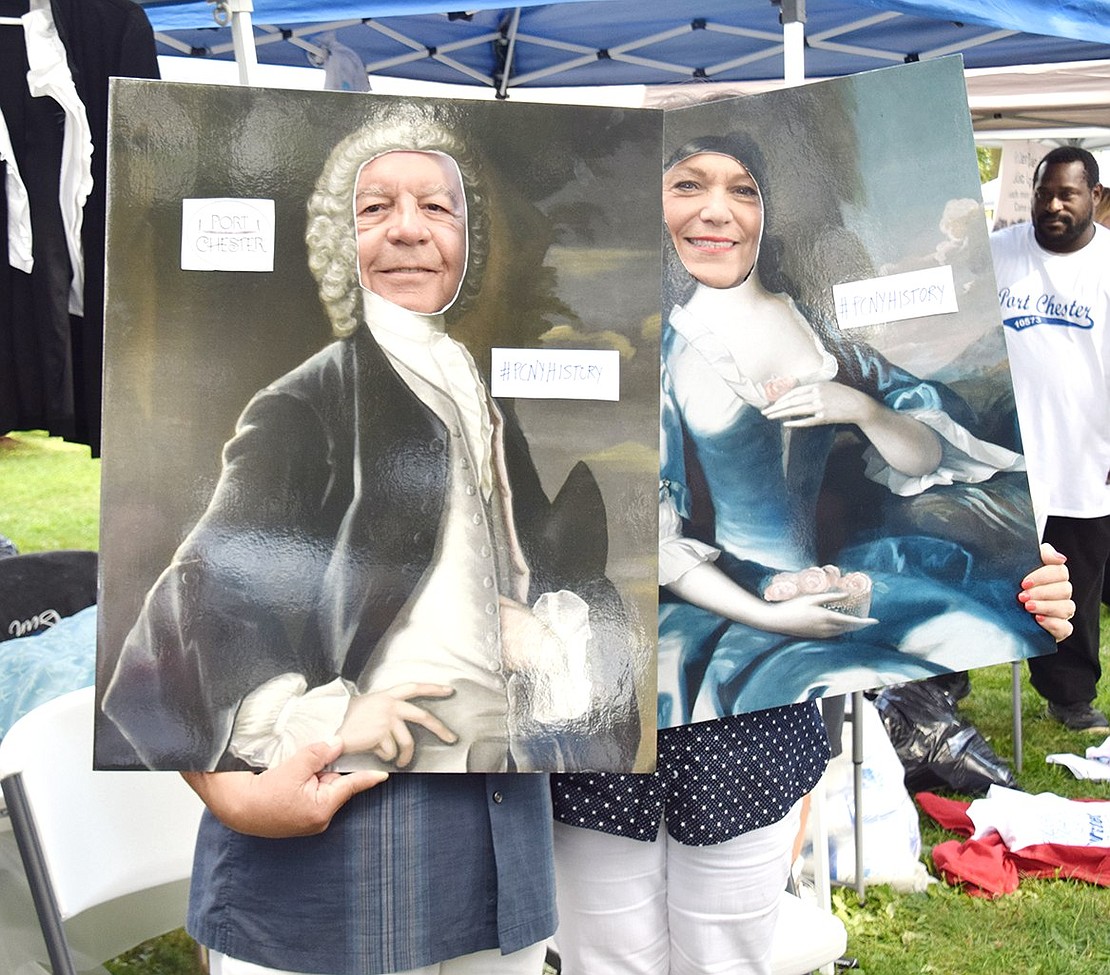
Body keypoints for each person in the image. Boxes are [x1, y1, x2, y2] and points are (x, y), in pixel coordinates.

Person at [102, 111, 641, 975]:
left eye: (438, 207)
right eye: (374, 208)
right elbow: (193, 607)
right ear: (336, 241)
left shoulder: (476, 392)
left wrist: (540, 635)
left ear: (472, 240)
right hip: (344, 840)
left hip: (497, 822)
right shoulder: (305, 407)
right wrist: (250, 778)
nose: (408, 229)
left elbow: (530, 568)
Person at [548, 133, 1075, 975]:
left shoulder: (822, 330)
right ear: (653, 205)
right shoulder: (631, 342)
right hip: (670, 642)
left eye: (741, 189)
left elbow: (926, 453)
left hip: (802, 633)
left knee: (732, 944)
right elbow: (643, 524)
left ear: (773, 207)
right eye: (687, 185)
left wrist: (857, 407)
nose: (715, 209)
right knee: (610, 952)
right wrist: (765, 610)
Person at [990, 145, 1110, 733]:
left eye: (1068, 193)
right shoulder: (998, 253)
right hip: (1002, 457)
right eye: (1044, 193)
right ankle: (941, 691)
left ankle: (1071, 697)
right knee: (983, 568)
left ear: (1095, 197)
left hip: (1083, 460)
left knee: (1075, 587)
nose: (1054, 205)